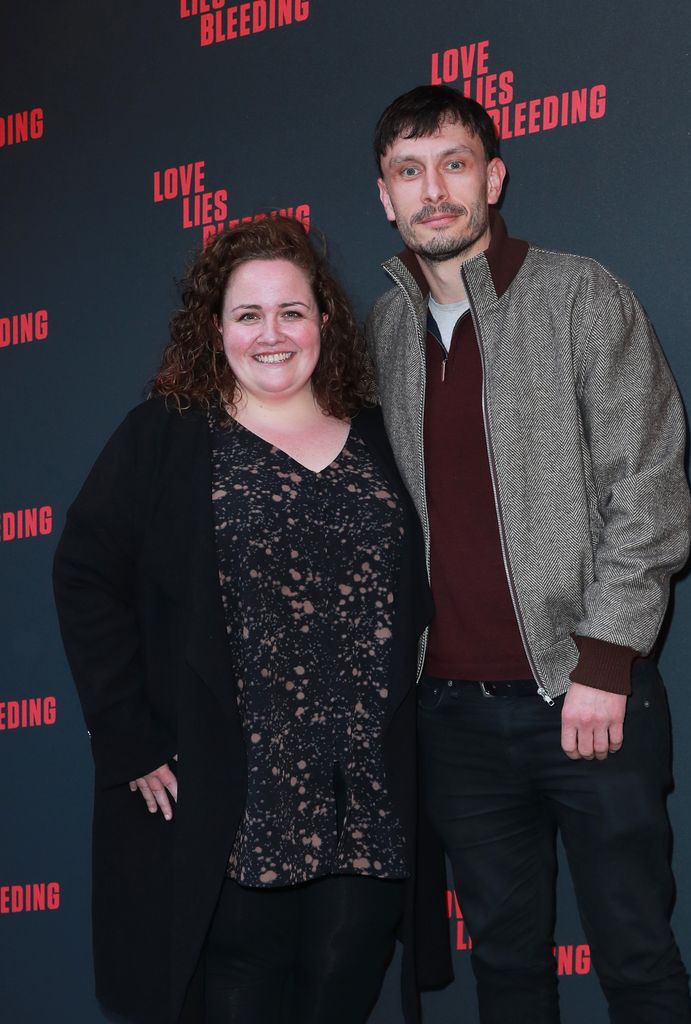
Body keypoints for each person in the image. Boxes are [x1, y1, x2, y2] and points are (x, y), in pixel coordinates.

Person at [53, 217, 450, 1024]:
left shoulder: (380, 435)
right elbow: (86, 576)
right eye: (247, 315)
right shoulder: (166, 435)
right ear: (215, 328)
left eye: (292, 312)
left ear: (325, 324)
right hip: (234, 794)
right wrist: (125, 736)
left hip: (364, 794)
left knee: (341, 993)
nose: (272, 334)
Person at [366, 84, 691, 1024]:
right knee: (505, 973)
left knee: (636, 959)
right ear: (383, 196)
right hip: (453, 722)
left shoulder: (578, 295)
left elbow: (647, 486)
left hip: (585, 695)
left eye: (454, 165)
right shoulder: (379, 331)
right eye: (409, 171)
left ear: (492, 177)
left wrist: (603, 661)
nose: (434, 190)